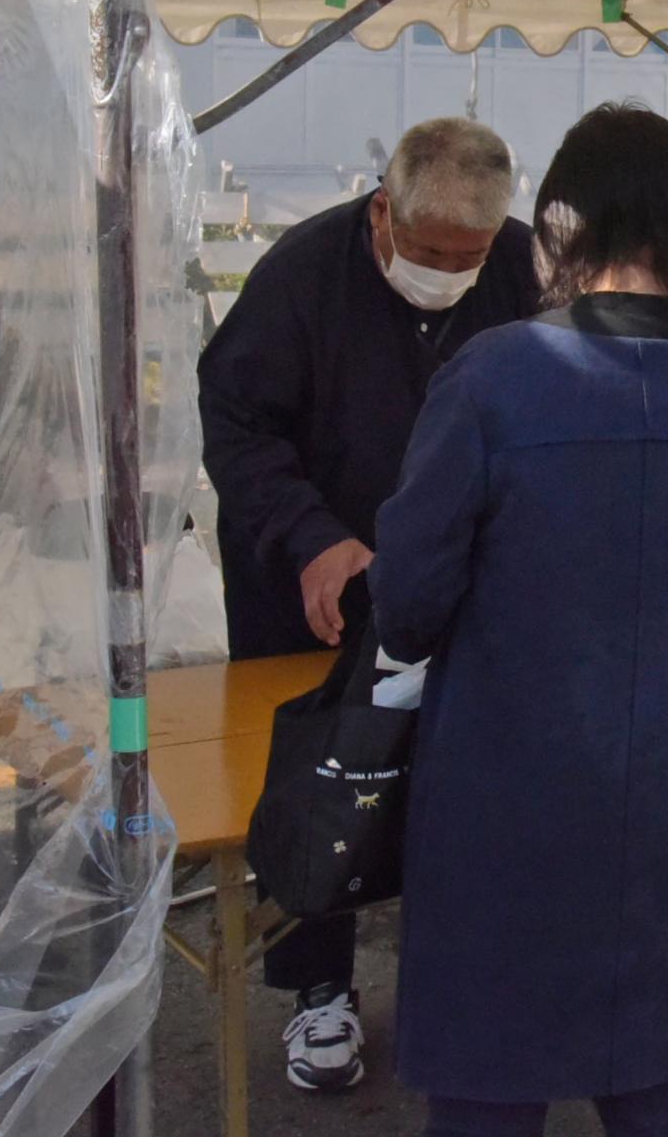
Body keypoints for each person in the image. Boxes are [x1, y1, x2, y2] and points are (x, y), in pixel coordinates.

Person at [370, 103, 668, 1137]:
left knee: (486, 1099)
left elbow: (408, 604)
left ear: (559, 230)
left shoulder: (492, 381)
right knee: (656, 1094)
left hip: (502, 813)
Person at [196, 117, 538, 1091]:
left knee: (463, 774)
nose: (449, 273)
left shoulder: (519, 267)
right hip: (313, 585)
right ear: (384, 211)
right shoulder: (302, 276)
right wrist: (309, 537)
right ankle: (318, 990)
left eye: (467, 258)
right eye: (431, 254)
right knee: (319, 780)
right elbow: (235, 420)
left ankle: (463, 972)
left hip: (459, 578)